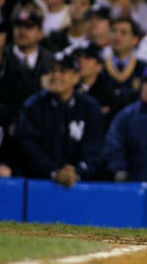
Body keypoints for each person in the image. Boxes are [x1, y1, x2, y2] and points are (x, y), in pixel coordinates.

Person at [17, 50, 104, 186]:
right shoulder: (33, 106)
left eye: (63, 71)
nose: (56, 76)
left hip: (80, 185)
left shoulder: (90, 108)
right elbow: (29, 145)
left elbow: (94, 147)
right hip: (39, 184)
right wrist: (54, 172)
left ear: (76, 77)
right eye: (52, 71)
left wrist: (77, 171)